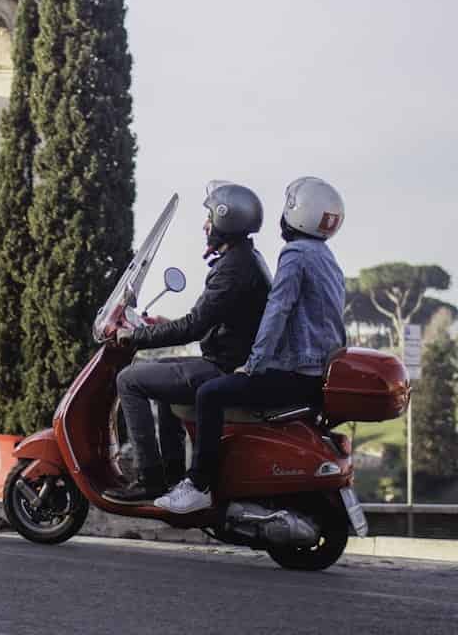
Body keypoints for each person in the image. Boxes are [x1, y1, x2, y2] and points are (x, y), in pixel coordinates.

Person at [155, 176, 347, 514]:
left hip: (295, 374)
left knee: (210, 394)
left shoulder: (295, 255)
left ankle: (199, 484)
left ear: (296, 214)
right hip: (315, 374)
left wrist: (254, 365)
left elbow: (278, 311)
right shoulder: (325, 256)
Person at [104, 181, 272, 502]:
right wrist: (162, 326)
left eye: (210, 216)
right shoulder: (244, 259)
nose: (205, 224)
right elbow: (214, 320)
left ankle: (149, 477)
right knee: (161, 381)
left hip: (223, 369)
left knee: (129, 379)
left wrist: (134, 335)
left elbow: (194, 326)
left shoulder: (233, 268)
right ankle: (172, 475)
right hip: (229, 361)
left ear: (226, 219)